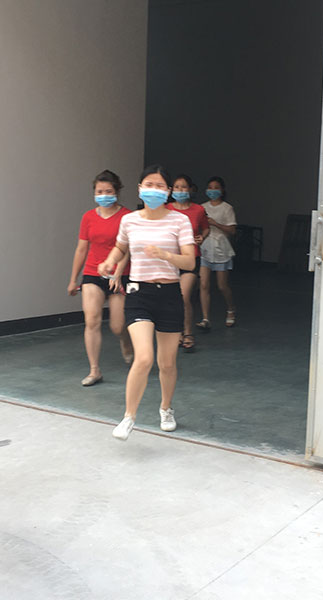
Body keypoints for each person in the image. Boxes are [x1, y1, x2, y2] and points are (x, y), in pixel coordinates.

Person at [98, 165, 196, 440]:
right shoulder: (129, 220)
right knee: (144, 358)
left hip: (169, 294)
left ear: (168, 191)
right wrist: (110, 261)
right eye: (148, 185)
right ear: (140, 189)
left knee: (167, 363)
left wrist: (165, 255)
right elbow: (121, 246)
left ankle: (166, 408)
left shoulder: (179, 221)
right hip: (139, 294)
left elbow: (189, 262)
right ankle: (128, 417)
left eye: (159, 186)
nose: (153, 190)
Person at [68, 170, 133, 385]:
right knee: (92, 320)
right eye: (99, 191)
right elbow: (81, 249)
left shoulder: (127, 217)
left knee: (117, 325)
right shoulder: (88, 217)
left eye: (108, 191)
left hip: (119, 274)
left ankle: (125, 340)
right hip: (93, 273)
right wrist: (73, 279)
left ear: (117, 192)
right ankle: (94, 370)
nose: (104, 195)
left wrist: (118, 272)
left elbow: (127, 248)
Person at [167, 174, 209, 352]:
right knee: (171, 298)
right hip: (170, 258)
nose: (180, 190)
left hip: (190, 258)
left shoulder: (198, 210)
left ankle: (188, 332)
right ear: (171, 190)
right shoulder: (166, 209)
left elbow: (206, 228)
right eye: (177, 187)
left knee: (183, 296)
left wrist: (202, 237)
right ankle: (176, 332)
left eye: (183, 187)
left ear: (190, 189)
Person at [198, 176, 237, 329]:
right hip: (205, 248)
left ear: (222, 190)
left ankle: (231, 308)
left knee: (222, 285)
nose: (212, 190)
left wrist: (215, 224)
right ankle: (205, 318)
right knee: (203, 284)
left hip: (221, 249)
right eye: (210, 187)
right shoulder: (201, 207)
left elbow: (232, 230)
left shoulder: (227, 208)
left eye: (216, 188)